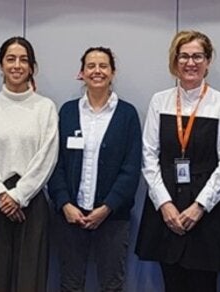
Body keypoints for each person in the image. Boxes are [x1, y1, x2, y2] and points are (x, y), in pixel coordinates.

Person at [135, 30, 220, 292]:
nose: (190, 63)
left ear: (208, 61)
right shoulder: (160, 101)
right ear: (175, 61)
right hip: (167, 209)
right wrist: (165, 204)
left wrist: (199, 206)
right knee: (172, 284)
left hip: (208, 211)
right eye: (184, 56)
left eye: (197, 56)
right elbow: (149, 156)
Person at [48, 47, 142, 292]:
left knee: (112, 286)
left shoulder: (127, 114)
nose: (97, 71)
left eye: (103, 66)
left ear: (112, 73)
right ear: (82, 73)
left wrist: (107, 207)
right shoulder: (67, 112)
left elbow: (131, 169)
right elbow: (55, 163)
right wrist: (65, 204)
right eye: (91, 66)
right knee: (70, 285)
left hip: (113, 218)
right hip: (70, 217)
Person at [0, 36, 59, 292]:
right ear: (1, 65)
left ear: (32, 67)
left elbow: (47, 156)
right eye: (10, 59)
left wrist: (19, 196)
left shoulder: (45, 108)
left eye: (23, 60)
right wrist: (1, 195)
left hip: (31, 201)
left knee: (30, 280)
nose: (17, 65)